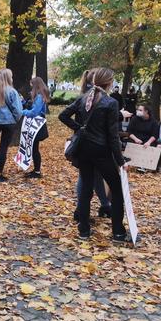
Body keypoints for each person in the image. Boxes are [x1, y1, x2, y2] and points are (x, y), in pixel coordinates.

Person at [58, 67, 130, 243]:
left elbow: (63, 115)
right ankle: (118, 233)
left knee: (85, 189)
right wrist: (121, 161)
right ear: (110, 83)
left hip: (84, 150)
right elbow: (113, 136)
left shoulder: (83, 98)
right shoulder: (111, 103)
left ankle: (84, 231)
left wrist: (79, 130)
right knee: (117, 189)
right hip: (101, 151)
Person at [22, 77, 50, 178]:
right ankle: (36, 170)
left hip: (37, 126)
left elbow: (35, 112)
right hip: (35, 125)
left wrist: (22, 112)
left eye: (31, 85)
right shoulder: (39, 96)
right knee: (34, 148)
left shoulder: (39, 97)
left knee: (34, 148)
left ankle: (37, 171)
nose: (30, 86)